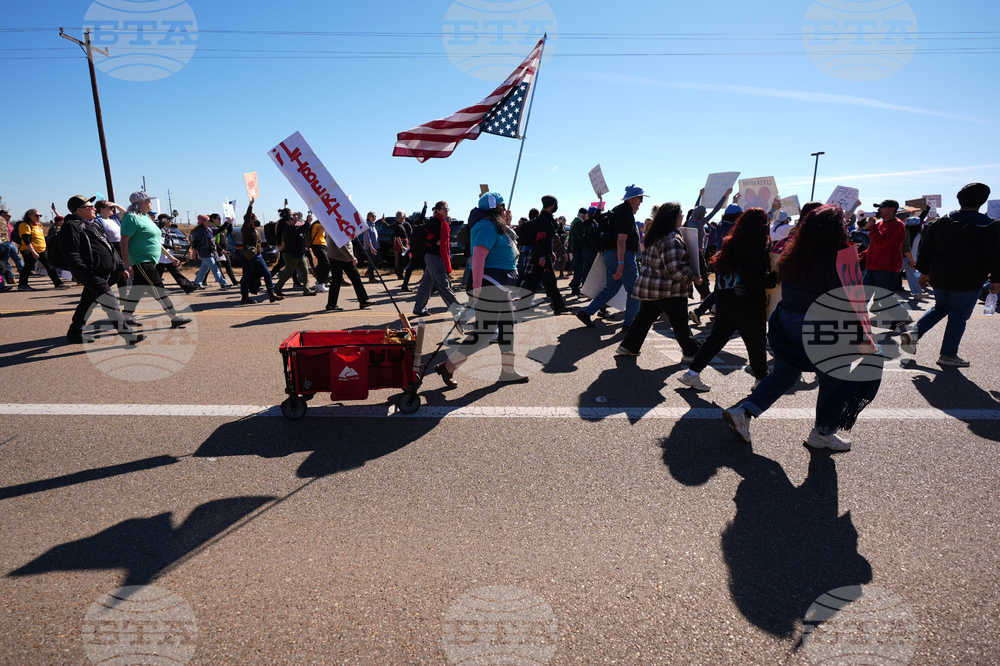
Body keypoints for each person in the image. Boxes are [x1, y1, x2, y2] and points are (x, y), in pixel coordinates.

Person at [720, 205, 882, 452]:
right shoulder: (836, 256)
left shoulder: (794, 251)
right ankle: (823, 433)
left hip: (786, 319)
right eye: (843, 224)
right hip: (819, 324)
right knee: (833, 380)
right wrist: (862, 336)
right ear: (835, 229)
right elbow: (843, 299)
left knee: (783, 376)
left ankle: (743, 412)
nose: (846, 227)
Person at [435, 191, 528, 387]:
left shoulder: (494, 225)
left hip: (499, 285)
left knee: (506, 328)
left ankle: (508, 371)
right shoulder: (486, 226)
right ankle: (448, 366)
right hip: (490, 284)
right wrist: (477, 289)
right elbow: (478, 259)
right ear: (495, 208)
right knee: (485, 332)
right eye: (502, 207)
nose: (505, 210)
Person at [903, 183, 1000, 367]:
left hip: (940, 276)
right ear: (983, 201)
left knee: (940, 308)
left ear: (959, 199)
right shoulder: (989, 225)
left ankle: (912, 334)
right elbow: (994, 255)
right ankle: (948, 354)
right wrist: (996, 278)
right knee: (958, 317)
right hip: (969, 278)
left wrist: (924, 272)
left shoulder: (942, 222)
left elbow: (926, 249)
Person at [678, 208, 776, 392]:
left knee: (717, 338)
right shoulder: (756, 245)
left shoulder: (731, 241)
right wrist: (775, 277)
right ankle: (761, 379)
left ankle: (692, 373)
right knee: (756, 342)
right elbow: (753, 279)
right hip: (747, 302)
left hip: (725, 297)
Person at [616, 202, 703, 358]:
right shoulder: (671, 239)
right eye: (680, 213)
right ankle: (691, 352)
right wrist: (694, 277)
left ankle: (628, 346)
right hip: (669, 289)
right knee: (680, 322)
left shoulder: (656, 235)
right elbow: (675, 269)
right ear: (672, 217)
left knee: (644, 319)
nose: (683, 216)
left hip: (652, 287)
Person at [58, 195, 144, 344]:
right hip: (91, 274)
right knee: (110, 302)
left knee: (86, 304)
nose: (94, 209)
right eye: (89, 207)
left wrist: (121, 266)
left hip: (104, 272)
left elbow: (109, 246)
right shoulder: (71, 226)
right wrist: (85, 273)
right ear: (79, 210)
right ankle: (128, 335)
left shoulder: (93, 224)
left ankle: (74, 333)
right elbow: (70, 254)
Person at [575, 185, 648, 331]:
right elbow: (621, 241)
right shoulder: (626, 214)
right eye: (640, 198)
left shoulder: (617, 210)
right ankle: (629, 324)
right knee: (635, 291)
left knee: (610, 289)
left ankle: (586, 312)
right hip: (622, 256)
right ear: (633, 199)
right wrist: (621, 264)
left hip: (610, 254)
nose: (641, 202)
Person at [119, 191, 192, 329]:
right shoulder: (130, 217)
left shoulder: (146, 217)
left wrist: (170, 256)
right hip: (141, 260)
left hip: (150, 260)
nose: (151, 202)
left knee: (137, 290)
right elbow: (124, 241)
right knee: (158, 288)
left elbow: (156, 242)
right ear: (141, 202)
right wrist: (126, 263)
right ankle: (174, 316)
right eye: (149, 200)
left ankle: (126, 317)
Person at [861, 199, 911, 331]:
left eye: (881, 207)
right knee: (862, 298)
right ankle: (858, 325)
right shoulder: (879, 223)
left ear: (892, 209)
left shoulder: (897, 225)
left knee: (885, 299)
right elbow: (875, 245)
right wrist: (864, 254)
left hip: (887, 267)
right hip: (872, 266)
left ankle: (903, 317)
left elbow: (883, 243)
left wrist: (872, 227)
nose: (878, 210)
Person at [412, 201, 464, 320]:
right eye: (444, 208)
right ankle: (458, 309)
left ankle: (419, 308)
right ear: (437, 210)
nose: (447, 210)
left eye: (447, 208)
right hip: (434, 257)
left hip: (434, 257)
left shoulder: (442, 222)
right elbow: (422, 237)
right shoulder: (435, 222)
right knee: (443, 284)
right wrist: (434, 242)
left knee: (426, 284)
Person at [519, 195, 570, 315]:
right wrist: (543, 256)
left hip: (542, 254)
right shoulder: (544, 219)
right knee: (550, 281)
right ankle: (559, 306)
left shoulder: (546, 218)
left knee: (535, 280)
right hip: (542, 256)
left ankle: (523, 304)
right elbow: (541, 239)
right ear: (552, 205)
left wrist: (550, 252)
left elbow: (546, 239)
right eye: (555, 204)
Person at [239, 198, 283, 304]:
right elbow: (247, 218)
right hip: (248, 257)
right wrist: (250, 205)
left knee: (267, 274)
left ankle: (271, 295)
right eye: (254, 219)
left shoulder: (257, 230)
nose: (257, 221)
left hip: (259, 257)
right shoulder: (246, 229)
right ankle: (244, 297)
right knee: (246, 277)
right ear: (250, 220)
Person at [15, 208, 67, 290]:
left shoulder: (39, 225)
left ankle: (58, 283)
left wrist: (45, 247)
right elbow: (26, 239)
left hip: (42, 250)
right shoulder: (25, 225)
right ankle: (22, 285)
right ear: (29, 216)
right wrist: (33, 251)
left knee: (49, 265)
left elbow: (41, 238)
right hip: (29, 250)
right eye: (36, 215)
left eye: (40, 215)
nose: (39, 217)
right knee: (28, 267)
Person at [273, 208, 315, 297]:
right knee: (288, 274)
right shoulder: (287, 229)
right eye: (292, 219)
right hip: (291, 255)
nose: (295, 219)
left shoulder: (294, 227)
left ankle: (306, 290)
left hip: (300, 255)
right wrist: (308, 221)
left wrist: (308, 219)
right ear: (287, 222)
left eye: (295, 218)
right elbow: (302, 228)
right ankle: (277, 289)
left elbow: (302, 228)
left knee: (305, 273)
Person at [325, 229, 371, 311]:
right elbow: (341, 246)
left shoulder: (345, 228)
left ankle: (363, 301)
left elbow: (348, 244)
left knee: (356, 277)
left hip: (346, 258)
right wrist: (352, 257)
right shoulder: (336, 230)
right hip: (336, 258)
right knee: (336, 280)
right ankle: (331, 305)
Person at [190, 215, 230, 289]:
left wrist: (227, 222)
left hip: (210, 252)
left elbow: (220, 230)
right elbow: (196, 242)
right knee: (215, 268)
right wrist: (194, 252)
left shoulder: (209, 229)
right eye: (208, 220)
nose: (210, 221)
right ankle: (223, 283)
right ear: (203, 222)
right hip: (205, 252)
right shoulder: (200, 231)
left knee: (203, 269)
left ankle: (197, 283)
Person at [567, 207, 589, 296]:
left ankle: (574, 284)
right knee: (579, 269)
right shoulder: (579, 223)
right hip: (579, 248)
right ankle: (575, 288)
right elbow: (580, 237)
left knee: (577, 268)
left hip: (575, 248)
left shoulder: (574, 221)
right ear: (584, 215)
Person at [307, 215, 330, 292]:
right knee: (327, 264)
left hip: (322, 246)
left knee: (321, 265)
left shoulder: (319, 225)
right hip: (318, 246)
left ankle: (319, 284)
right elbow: (323, 227)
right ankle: (321, 283)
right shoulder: (317, 225)